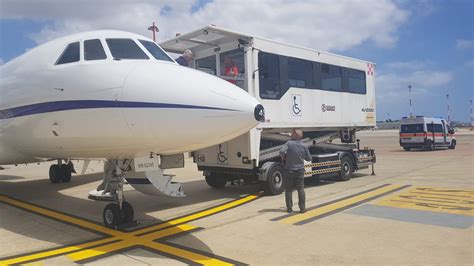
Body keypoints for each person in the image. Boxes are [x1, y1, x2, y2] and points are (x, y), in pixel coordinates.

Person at [279, 129, 312, 213]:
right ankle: (302, 208)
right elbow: (309, 158)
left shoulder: (289, 144)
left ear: (296, 135)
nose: (291, 134)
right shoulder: (304, 146)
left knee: (289, 190)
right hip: (300, 170)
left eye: (292, 133)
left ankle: (289, 208)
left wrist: (284, 157)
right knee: (300, 189)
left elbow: (282, 151)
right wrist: (301, 156)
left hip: (289, 170)